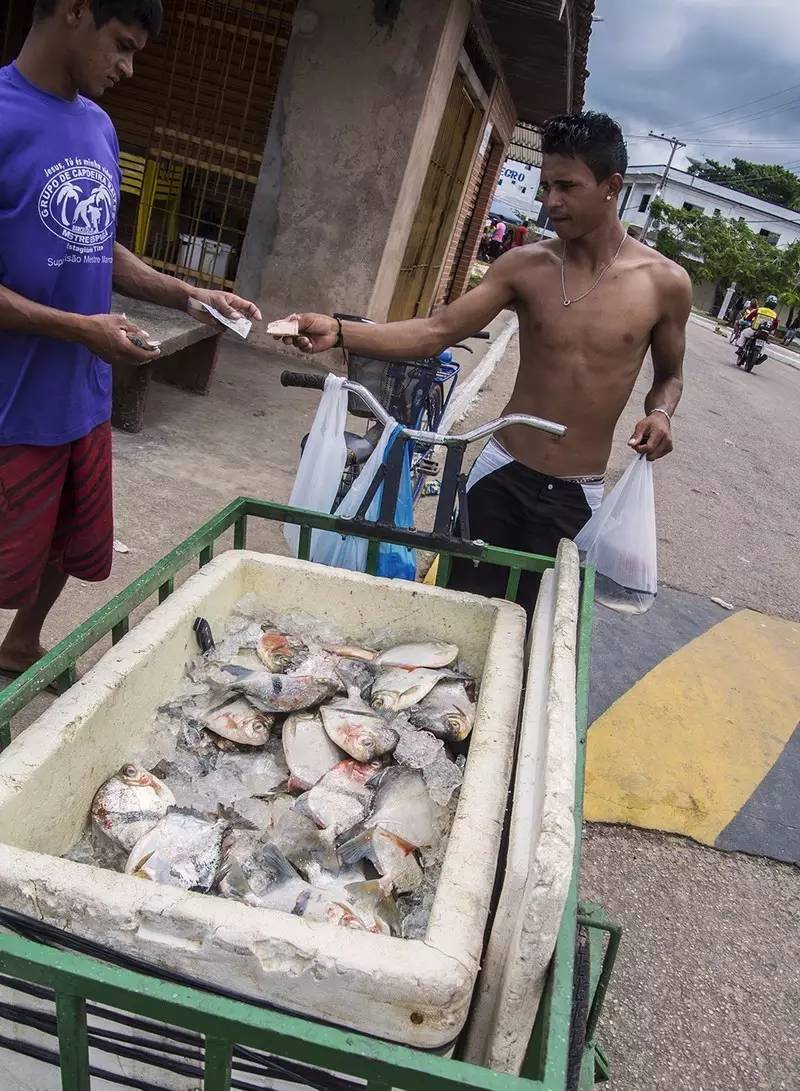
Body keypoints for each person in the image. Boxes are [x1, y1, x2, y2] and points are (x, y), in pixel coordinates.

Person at [273, 111, 691, 608]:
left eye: (567, 186)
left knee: (537, 628)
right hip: (501, 473)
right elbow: (435, 332)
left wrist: (661, 413)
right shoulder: (525, 267)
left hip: (577, 495)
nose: (551, 202)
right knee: (456, 608)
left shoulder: (664, 283)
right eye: (545, 187)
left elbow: (670, 377)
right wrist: (342, 332)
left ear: (611, 186)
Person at [0, 0, 262, 685]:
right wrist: (79, 328)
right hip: (11, 398)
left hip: (82, 395)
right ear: (73, 11)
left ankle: (21, 644)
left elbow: (96, 243)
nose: (128, 67)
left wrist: (187, 293)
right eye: (121, 45)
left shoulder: (100, 126)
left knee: (72, 539)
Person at [736, 294, 779, 365]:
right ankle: (760, 355)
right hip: (765, 333)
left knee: (743, 333)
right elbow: (775, 325)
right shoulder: (774, 314)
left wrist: (748, 320)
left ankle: (740, 348)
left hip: (754, 330)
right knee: (763, 344)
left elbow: (748, 317)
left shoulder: (759, 310)